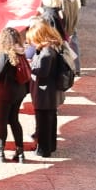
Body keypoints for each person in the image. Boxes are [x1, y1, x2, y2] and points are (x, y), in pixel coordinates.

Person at [0, 24, 30, 162]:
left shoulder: (4, 53)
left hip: (4, 93)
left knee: (1, 122)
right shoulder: (20, 51)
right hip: (18, 92)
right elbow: (6, 65)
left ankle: (0, 151)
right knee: (14, 120)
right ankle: (20, 152)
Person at [27, 19, 68, 157]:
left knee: (43, 121)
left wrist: (30, 66)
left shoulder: (46, 53)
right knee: (50, 118)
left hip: (44, 91)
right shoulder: (53, 47)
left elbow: (42, 72)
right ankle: (50, 146)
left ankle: (43, 149)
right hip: (50, 91)